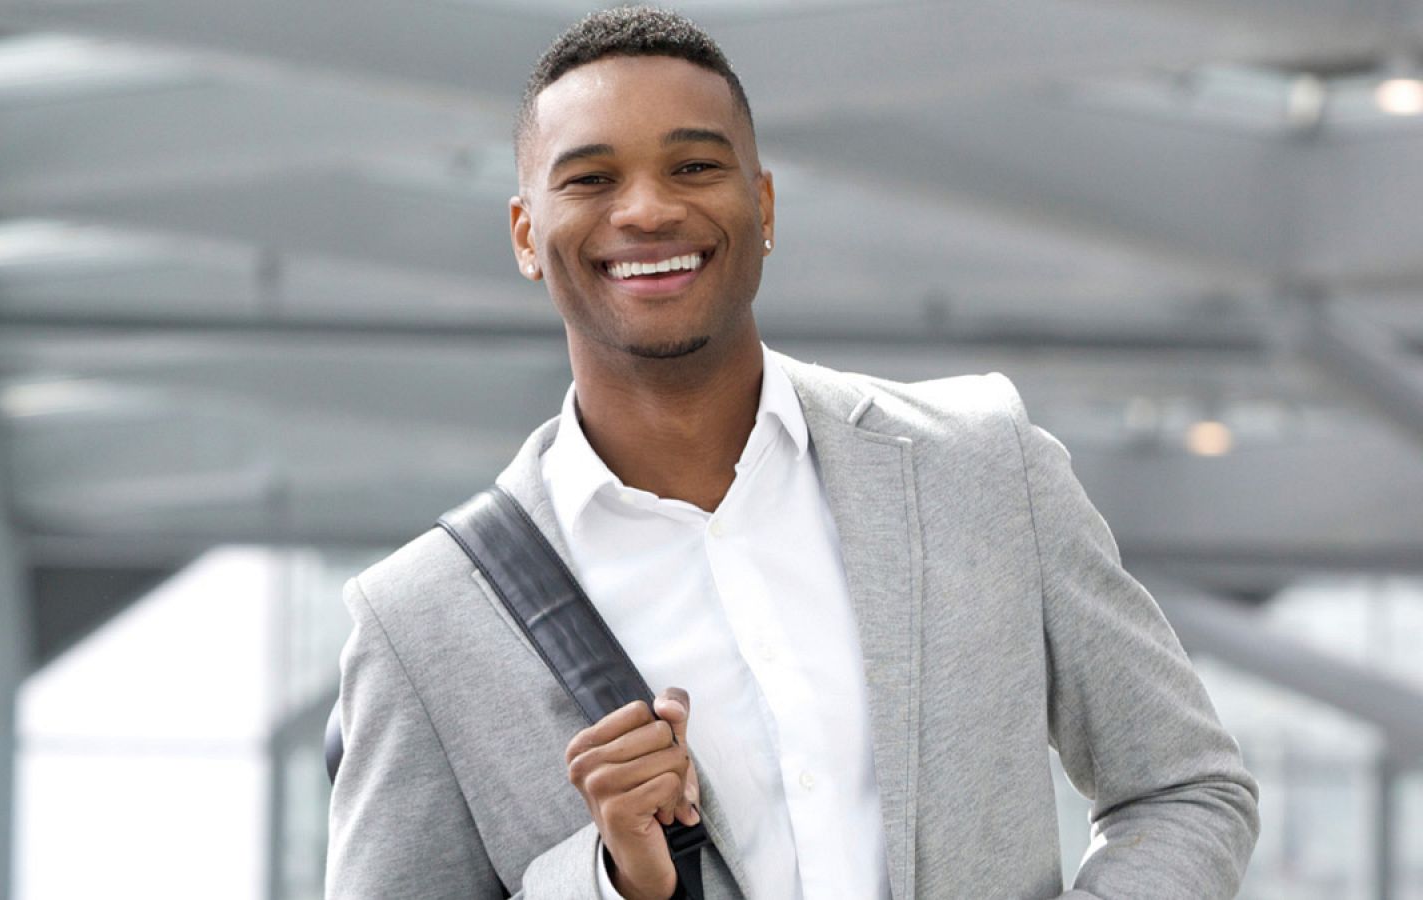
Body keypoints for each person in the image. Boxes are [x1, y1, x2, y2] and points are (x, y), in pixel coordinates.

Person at [325, 7, 1259, 899]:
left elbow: (1187, 788)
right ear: (528, 235)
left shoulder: (981, 468)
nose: (646, 210)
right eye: (589, 179)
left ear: (762, 205)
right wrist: (609, 882)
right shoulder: (420, 622)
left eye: (694, 166)